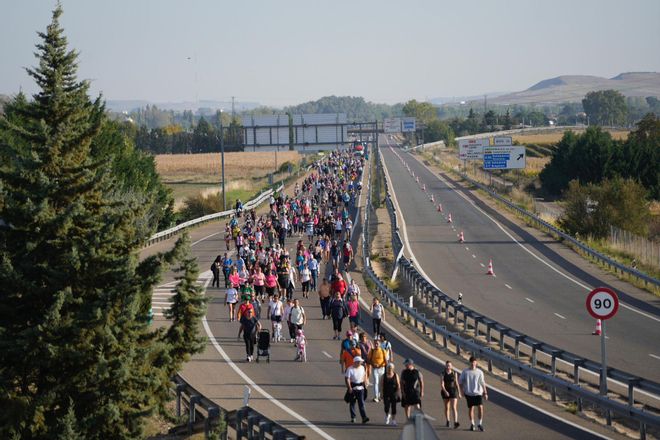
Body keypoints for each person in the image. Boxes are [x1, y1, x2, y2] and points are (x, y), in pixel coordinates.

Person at [459, 356, 488, 432]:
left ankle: (479, 424)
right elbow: (460, 382)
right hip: (469, 393)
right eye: (471, 362)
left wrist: (485, 393)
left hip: (478, 392)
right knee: (471, 408)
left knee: (480, 407)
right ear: (470, 362)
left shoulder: (480, 372)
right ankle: (472, 424)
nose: (473, 363)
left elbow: (482, 382)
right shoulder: (465, 371)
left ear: (476, 363)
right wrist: (461, 391)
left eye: (474, 362)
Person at [344, 356, 370, 424]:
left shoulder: (362, 368)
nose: (361, 363)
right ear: (356, 362)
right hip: (353, 388)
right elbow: (347, 379)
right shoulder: (350, 369)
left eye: (361, 362)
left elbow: (364, 376)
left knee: (361, 403)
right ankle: (353, 417)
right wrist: (349, 387)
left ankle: (364, 417)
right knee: (352, 403)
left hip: (361, 388)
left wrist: (365, 384)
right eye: (360, 362)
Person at [441, 360, 462, 429]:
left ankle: (455, 422)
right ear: (445, 366)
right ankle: (448, 420)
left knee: (454, 407)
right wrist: (445, 391)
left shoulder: (454, 373)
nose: (448, 367)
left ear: (451, 366)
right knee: (447, 407)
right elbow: (442, 384)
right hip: (445, 391)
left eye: (449, 365)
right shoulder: (443, 373)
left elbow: (457, 383)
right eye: (447, 365)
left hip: (453, 391)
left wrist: (459, 393)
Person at [367, 338, 388, 403]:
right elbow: (368, 360)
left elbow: (386, 361)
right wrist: (373, 364)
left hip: (382, 368)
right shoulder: (372, 351)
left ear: (379, 344)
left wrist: (381, 365)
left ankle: (380, 396)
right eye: (375, 343)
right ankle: (376, 396)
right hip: (375, 368)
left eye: (377, 343)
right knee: (376, 381)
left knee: (381, 383)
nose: (376, 345)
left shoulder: (383, 351)